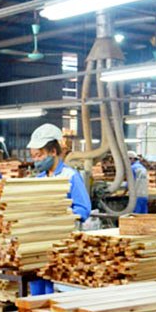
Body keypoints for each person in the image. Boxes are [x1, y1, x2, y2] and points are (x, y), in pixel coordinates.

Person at [27, 124, 92, 295]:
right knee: (36, 286)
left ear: (53, 152)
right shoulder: (39, 179)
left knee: (53, 288)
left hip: (61, 243)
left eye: (39, 155)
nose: (36, 160)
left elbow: (83, 209)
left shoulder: (70, 176)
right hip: (39, 242)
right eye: (33, 156)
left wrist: (60, 217)